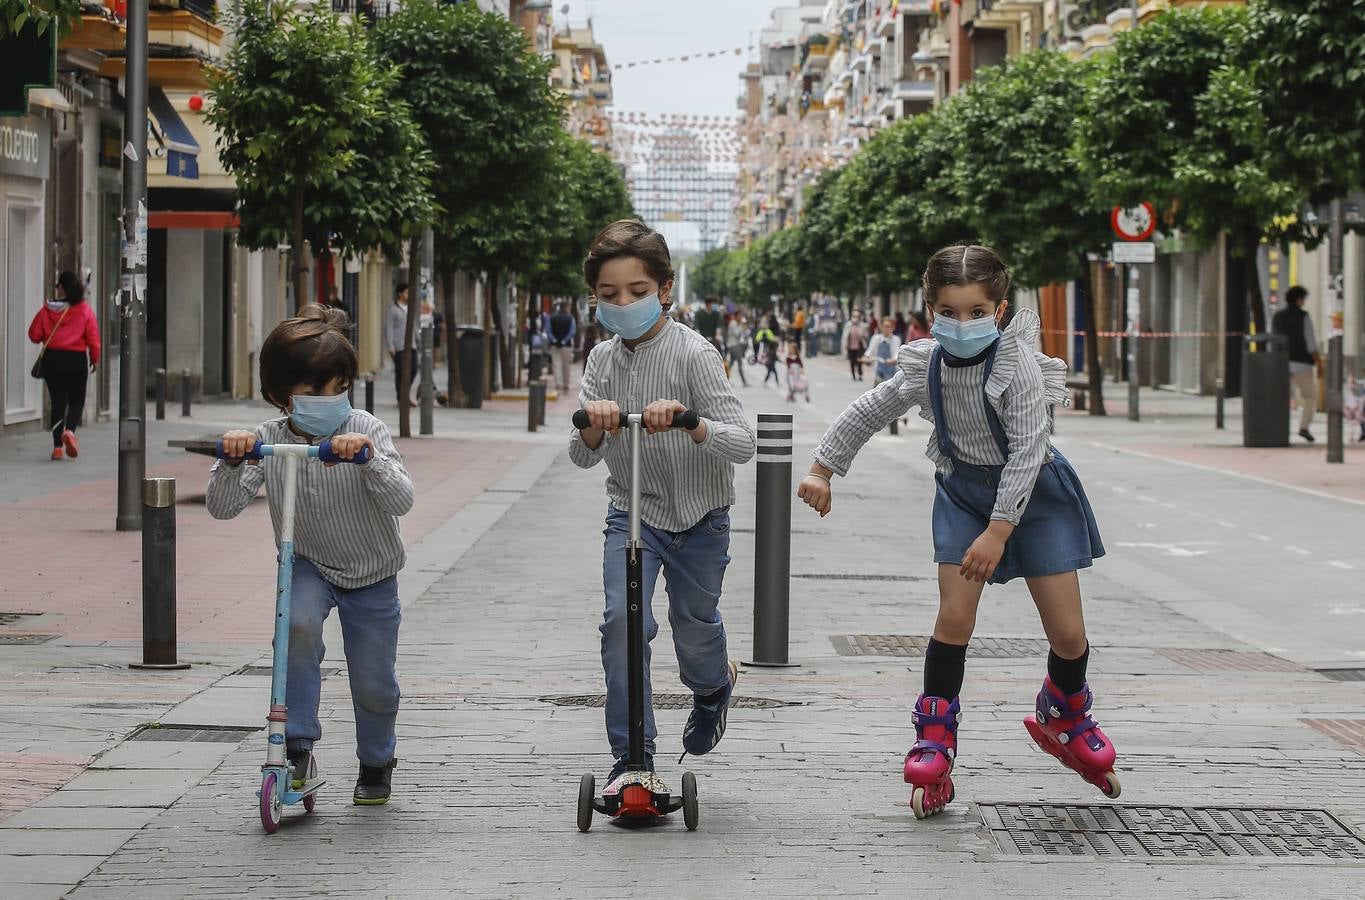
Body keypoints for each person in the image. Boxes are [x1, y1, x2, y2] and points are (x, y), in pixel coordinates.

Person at [798, 245, 1113, 819]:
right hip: (964, 494)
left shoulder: (1016, 368)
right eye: (949, 311)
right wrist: (822, 467)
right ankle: (935, 732)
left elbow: (1026, 452)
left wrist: (998, 533)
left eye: (975, 311)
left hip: (1034, 495)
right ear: (930, 309)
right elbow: (869, 409)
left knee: (1068, 632)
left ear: (999, 309)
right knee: (954, 616)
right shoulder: (928, 366)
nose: (961, 324)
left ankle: (1063, 712)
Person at [570, 219, 756, 794]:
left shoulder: (696, 354)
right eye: (609, 296)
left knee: (692, 629)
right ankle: (632, 757)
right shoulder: (600, 361)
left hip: (701, 518)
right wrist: (597, 424)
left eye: (637, 292)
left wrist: (692, 421)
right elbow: (579, 454)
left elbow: (743, 441)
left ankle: (712, 687)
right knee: (622, 623)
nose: (623, 304)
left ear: (665, 289)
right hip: (633, 515)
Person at [208, 304, 414, 806]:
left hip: (371, 571)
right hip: (306, 563)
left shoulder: (366, 427)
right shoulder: (269, 438)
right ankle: (295, 746)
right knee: (296, 631)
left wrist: (367, 460)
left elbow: (402, 500)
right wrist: (233, 460)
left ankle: (375, 758)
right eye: (313, 391)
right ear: (281, 396)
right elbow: (221, 507)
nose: (329, 401)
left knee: (374, 681)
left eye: (337, 388)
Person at [28, 271, 100, 461]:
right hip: (76, 360)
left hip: (53, 359)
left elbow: (33, 335)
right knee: (77, 400)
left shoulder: (47, 309)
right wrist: (94, 358)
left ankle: (57, 448)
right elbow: (93, 338)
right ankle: (70, 431)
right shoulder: (84, 310)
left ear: (61, 288)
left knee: (58, 402)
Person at [1272, 285, 1321, 443]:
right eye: (1303, 299)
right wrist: (1318, 362)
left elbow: (1271, 338)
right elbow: (1311, 342)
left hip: (1281, 362)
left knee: (1281, 397)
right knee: (1310, 396)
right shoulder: (1303, 317)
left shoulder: (1277, 316)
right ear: (1299, 299)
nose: (1304, 303)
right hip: (1302, 364)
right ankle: (1304, 427)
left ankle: (1278, 428)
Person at [385, 283, 414, 407]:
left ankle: (405, 394)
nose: (408, 295)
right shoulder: (393, 309)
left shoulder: (410, 308)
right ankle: (401, 398)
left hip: (412, 345)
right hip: (399, 346)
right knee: (401, 372)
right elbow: (389, 328)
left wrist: (418, 341)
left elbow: (414, 325)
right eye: (406, 292)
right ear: (400, 294)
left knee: (413, 370)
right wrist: (390, 346)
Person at [548, 300, 578, 393]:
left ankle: (559, 384)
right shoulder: (570, 318)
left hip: (554, 345)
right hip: (566, 345)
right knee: (566, 365)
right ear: (566, 307)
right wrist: (564, 341)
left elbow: (548, 331)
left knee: (556, 364)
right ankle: (566, 384)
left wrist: (554, 340)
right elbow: (572, 331)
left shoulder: (552, 318)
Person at [865, 315, 903, 386]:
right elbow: (870, 351)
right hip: (879, 370)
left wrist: (893, 360)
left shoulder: (896, 339)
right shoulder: (876, 338)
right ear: (881, 327)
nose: (886, 329)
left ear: (893, 328)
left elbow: (896, 353)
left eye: (888, 326)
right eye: (884, 326)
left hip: (892, 370)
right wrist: (867, 357)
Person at [842, 309, 869, 382]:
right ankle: (853, 374)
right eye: (854, 316)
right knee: (852, 361)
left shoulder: (862, 325)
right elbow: (845, 337)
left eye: (857, 316)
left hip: (859, 347)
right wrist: (844, 347)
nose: (855, 318)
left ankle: (860, 374)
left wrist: (861, 334)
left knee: (859, 360)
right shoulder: (848, 325)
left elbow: (866, 336)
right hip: (851, 347)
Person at [754, 316, 781, 386]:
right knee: (772, 370)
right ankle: (772, 381)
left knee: (772, 370)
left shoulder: (765, 332)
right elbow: (771, 339)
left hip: (766, 351)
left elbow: (757, 339)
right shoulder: (766, 332)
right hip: (767, 351)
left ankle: (768, 381)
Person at [725, 312, 749, 387]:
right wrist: (741, 327)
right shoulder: (734, 323)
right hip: (734, 346)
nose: (740, 318)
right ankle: (744, 382)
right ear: (736, 316)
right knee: (739, 363)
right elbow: (737, 334)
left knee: (731, 363)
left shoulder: (735, 323)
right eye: (739, 316)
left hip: (733, 345)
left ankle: (726, 380)